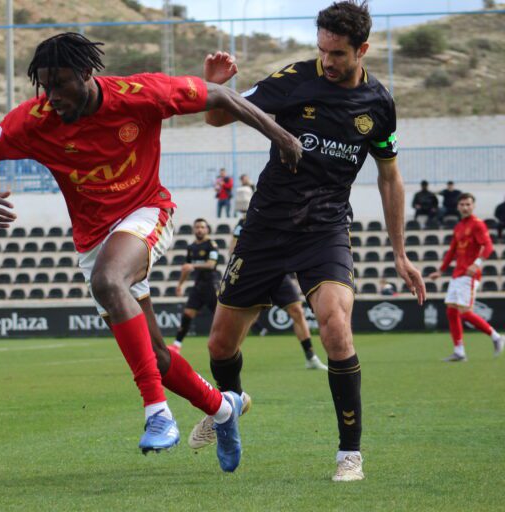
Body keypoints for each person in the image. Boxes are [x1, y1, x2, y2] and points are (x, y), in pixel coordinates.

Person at [0, 32, 302, 472]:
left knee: (108, 280)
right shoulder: (32, 120)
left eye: (60, 83)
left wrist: (283, 135)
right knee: (153, 353)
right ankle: (223, 408)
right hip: (94, 240)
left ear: (86, 73)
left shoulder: (141, 94)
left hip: (147, 212)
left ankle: (157, 413)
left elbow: (220, 96)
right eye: (44, 85)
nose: (52, 96)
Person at [195, 1, 425, 480]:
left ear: (362, 49)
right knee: (219, 346)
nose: (327, 60)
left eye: (337, 53)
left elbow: (389, 178)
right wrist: (216, 86)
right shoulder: (294, 79)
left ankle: (349, 454)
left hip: (324, 228)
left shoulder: (378, 105)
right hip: (265, 227)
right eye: (321, 49)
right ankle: (229, 410)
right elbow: (219, 117)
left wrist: (399, 252)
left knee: (336, 328)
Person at [225, 216, 328, 372]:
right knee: (249, 317)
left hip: (279, 271)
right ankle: (229, 359)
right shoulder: (244, 221)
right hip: (256, 272)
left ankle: (311, 357)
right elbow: (233, 248)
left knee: (297, 311)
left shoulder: (284, 212)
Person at [428, 193, 501, 361]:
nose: (465, 207)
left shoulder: (478, 224)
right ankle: (459, 351)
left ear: (473, 206)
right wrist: (441, 270)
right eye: (462, 204)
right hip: (457, 274)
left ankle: (496, 336)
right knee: (451, 312)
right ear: (458, 207)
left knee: (465, 312)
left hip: (469, 275)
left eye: (468, 204)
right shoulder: (459, 226)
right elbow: (452, 250)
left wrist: (477, 263)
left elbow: (488, 246)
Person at [170, 219, 221, 354]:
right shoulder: (191, 248)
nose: (200, 229)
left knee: (220, 317)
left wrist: (193, 266)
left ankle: (227, 343)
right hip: (198, 287)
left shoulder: (212, 245)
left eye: (202, 227)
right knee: (187, 314)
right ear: (194, 230)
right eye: (197, 227)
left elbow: (211, 265)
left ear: (207, 230)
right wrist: (180, 284)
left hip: (212, 286)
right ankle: (176, 345)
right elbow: (186, 269)